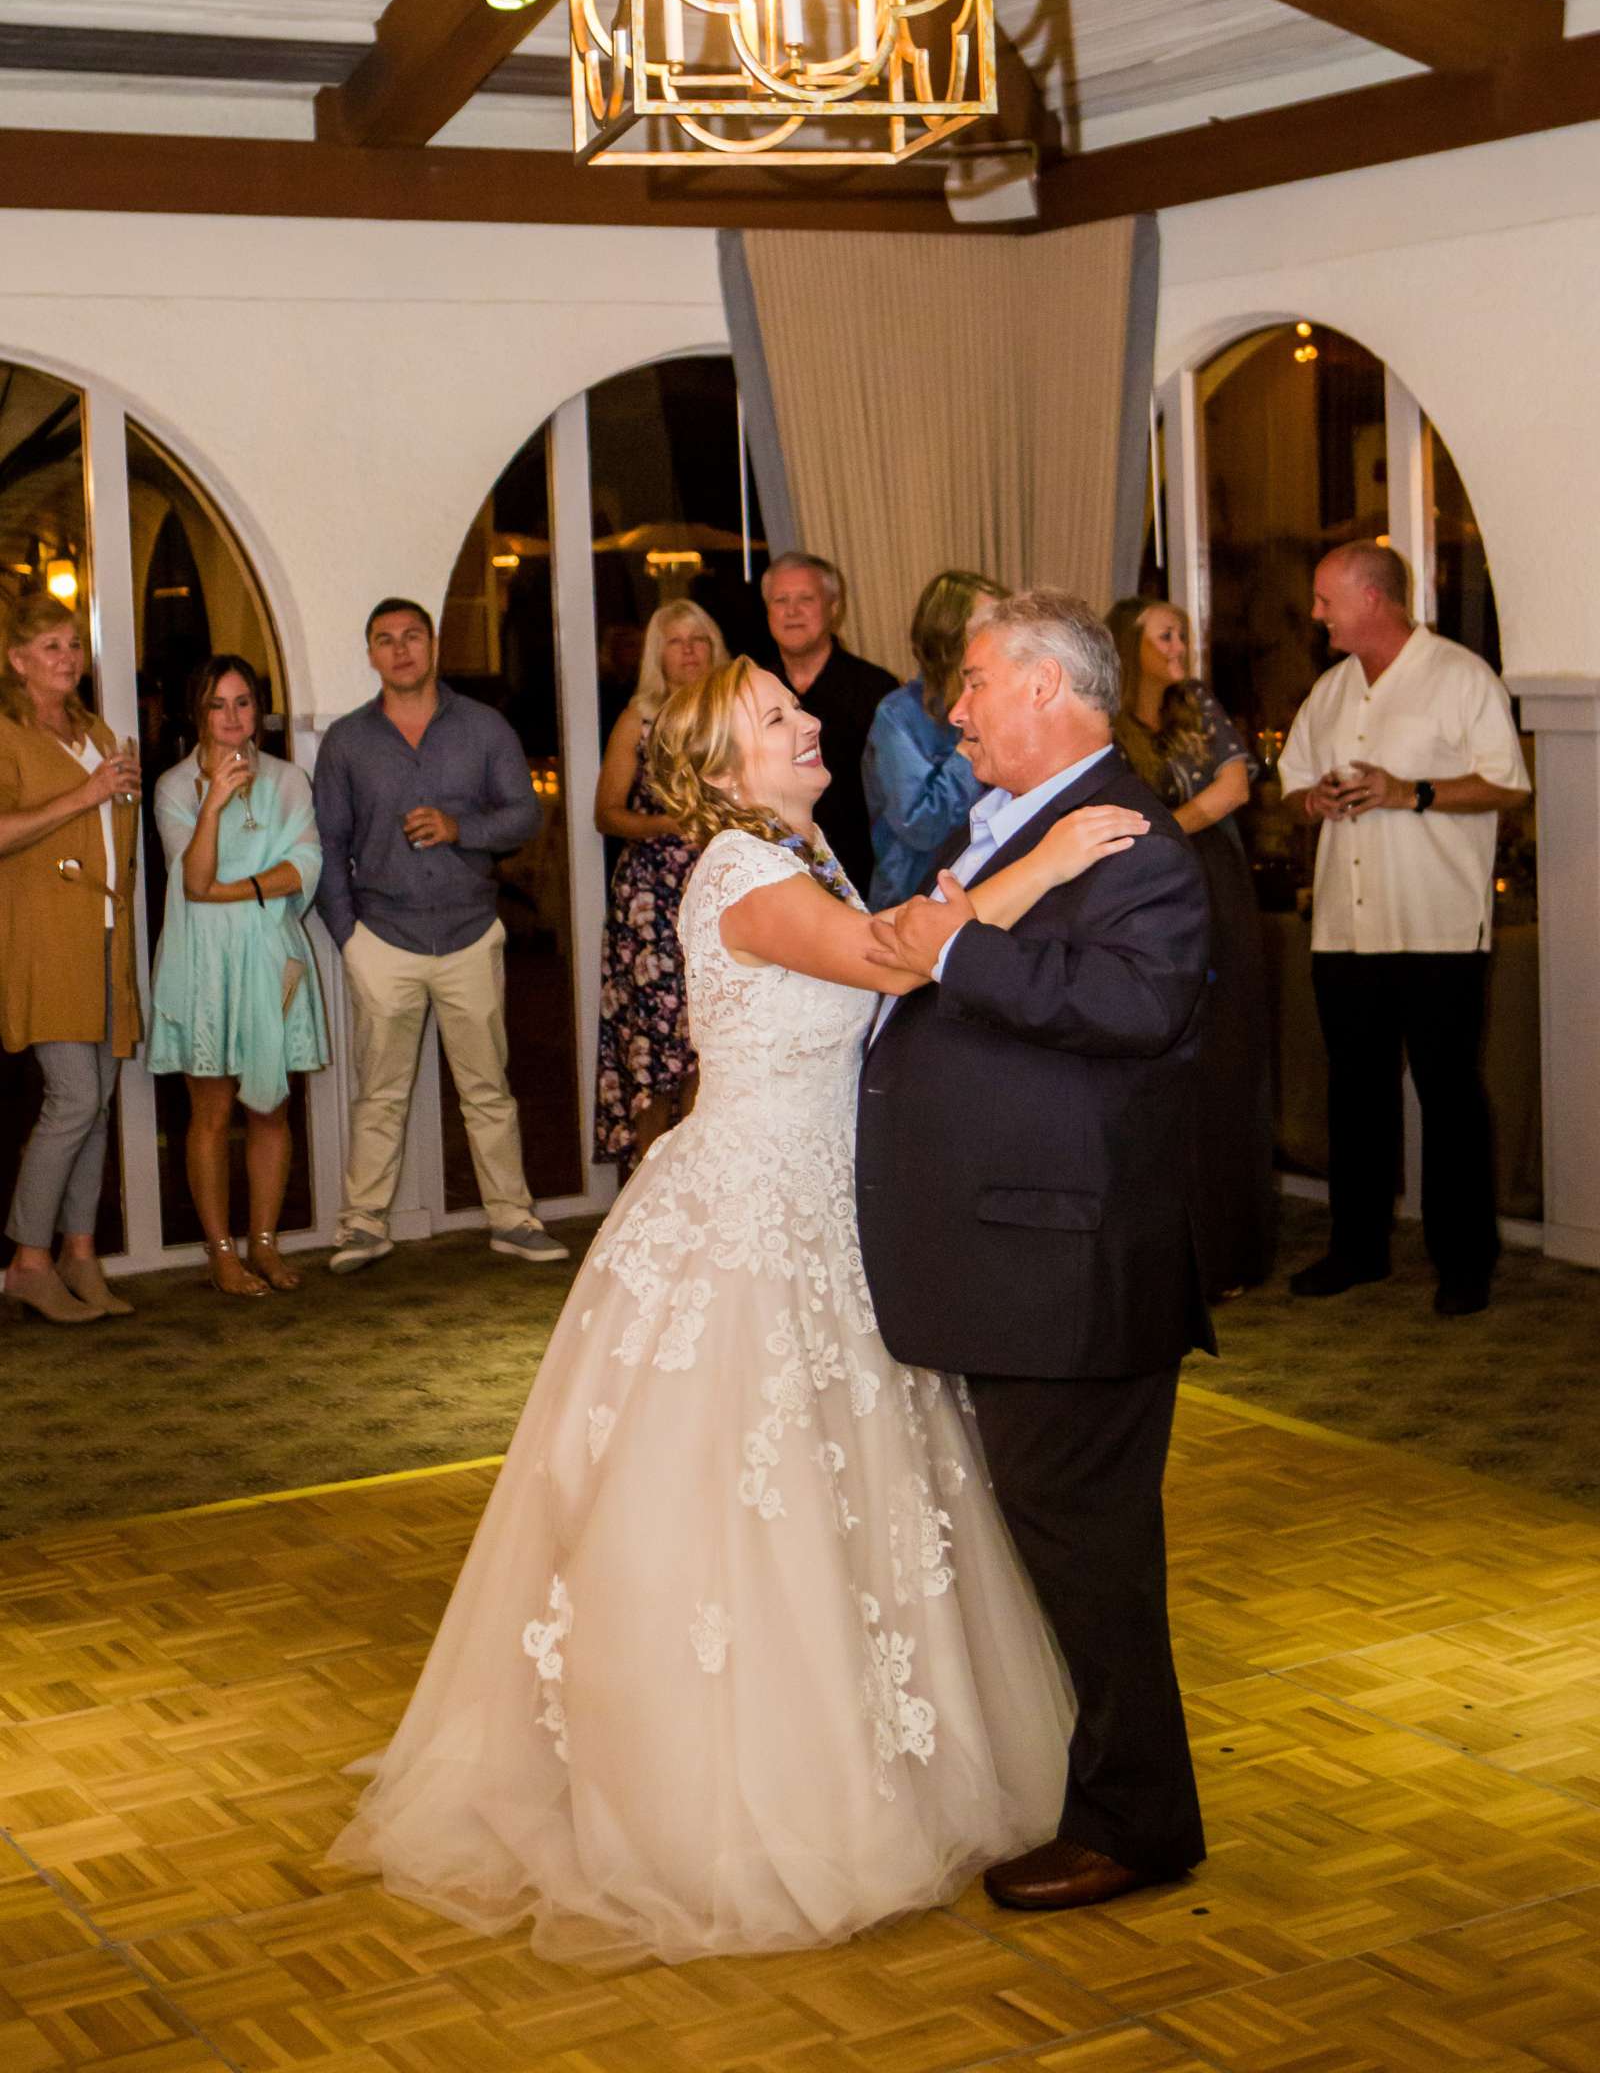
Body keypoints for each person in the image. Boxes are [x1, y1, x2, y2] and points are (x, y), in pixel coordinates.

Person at [332, 653, 1152, 1964]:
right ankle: (734, 1797)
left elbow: (896, 931)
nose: (809, 722)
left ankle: (888, 1759)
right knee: (734, 1499)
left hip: (824, 1212)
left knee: (854, 1498)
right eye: (780, 719)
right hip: (747, 1222)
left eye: (796, 707)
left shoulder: (804, 849)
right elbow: (894, 961)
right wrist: (1048, 865)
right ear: (721, 770)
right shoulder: (737, 871)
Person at [860, 590, 1214, 1911]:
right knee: (1052, 1547)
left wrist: (961, 950)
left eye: (972, 683)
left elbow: (1138, 1008)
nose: (955, 709)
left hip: (1072, 1268)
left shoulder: (1139, 843)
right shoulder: (1013, 820)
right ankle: (1109, 1797)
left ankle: (1136, 1825)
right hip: (1010, 1256)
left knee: (1090, 1557)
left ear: (1051, 691)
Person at [1276, 541, 1530, 1317]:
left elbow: (1507, 786)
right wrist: (1313, 803)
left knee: (1449, 1094)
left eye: (1326, 600)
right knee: (1355, 1093)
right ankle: (1359, 1249)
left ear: (1372, 600)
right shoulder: (1328, 691)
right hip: (1345, 931)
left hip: (1438, 925)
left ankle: (1465, 1261)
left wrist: (1406, 792)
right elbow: (1289, 785)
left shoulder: (1460, 677)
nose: (1316, 615)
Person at [313, 598, 568, 1273]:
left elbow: (523, 816)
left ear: (432, 645)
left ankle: (512, 1220)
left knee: (488, 1090)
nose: (400, 650)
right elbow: (327, 845)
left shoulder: (484, 728)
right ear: (371, 654)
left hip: (469, 932)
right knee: (379, 1093)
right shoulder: (347, 741)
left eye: (412, 637)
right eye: (385, 640)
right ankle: (363, 1226)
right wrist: (349, 939)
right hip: (384, 938)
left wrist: (461, 829)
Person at [1108, 595, 1276, 1301]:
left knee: (1228, 1062)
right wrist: (1194, 815)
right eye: (1165, 635)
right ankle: (1171, 1257)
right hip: (1141, 901)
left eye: (1182, 633)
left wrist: (1168, 828)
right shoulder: (1105, 722)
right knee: (1159, 1068)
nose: (1180, 646)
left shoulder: (1198, 703)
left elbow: (1237, 787)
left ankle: (1231, 1253)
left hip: (1218, 890)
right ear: (1129, 646)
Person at [148, 656, 328, 1298]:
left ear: (259, 708)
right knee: (212, 1110)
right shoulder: (173, 786)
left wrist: (239, 888)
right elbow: (192, 880)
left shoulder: (287, 778)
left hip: (270, 953)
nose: (232, 718)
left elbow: (305, 864)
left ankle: (265, 1242)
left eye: (243, 703)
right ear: (198, 713)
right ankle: (221, 1251)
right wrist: (215, 800)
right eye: (218, 705)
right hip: (203, 959)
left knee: (271, 1105)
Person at [0, 593, 142, 1325]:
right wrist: (86, 795)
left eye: (72, 645)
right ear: (17, 661)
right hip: (47, 937)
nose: (66, 658)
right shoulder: (6, 733)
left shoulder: (97, 729)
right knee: (74, 1098)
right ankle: (28, 1260)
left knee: (101, 1101)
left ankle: (79, 1252)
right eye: (49, 647)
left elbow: (118, 828)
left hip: (107, 932)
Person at [593, 600, 724, 1171]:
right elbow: (607, 814)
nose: (690, 649)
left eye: (699, 638)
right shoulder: (638, 719)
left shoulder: (736, 713)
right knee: (651, 1046)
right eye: (676, 641)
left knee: (710, 1041)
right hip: (651, 902)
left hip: (722, 886)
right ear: (658, 655)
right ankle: (650, 1186)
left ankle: (704, 1178)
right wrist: (669, 825)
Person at [862, 569, 1008, 911]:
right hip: (914, 903)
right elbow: (920, 825)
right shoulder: (899, 714)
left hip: (990, 896)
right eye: (986, 625)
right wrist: (967, 752)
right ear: (949, 634)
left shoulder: (1000, 702)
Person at [761, 550, 895, 895]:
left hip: (862, 876)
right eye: (781, 600)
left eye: (806, 599)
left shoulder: (878, 691)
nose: (792, 612)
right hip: (773, 873)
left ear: (834, 608)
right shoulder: (753, 693)